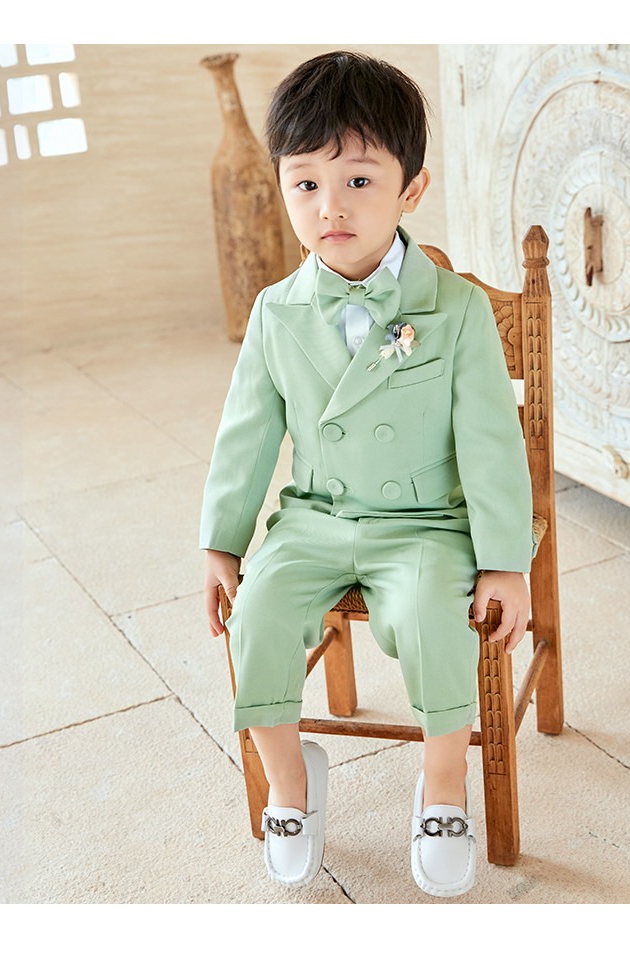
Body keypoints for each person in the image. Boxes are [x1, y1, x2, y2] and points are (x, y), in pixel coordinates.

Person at [200, 50, 535, 898]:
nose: (330, 206)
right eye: (306, 183)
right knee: (257, 616)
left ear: (411, 189)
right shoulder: (276, 311)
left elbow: (492, 443)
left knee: (432, 620)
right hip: (314, 517)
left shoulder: (454, 309)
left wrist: (506, 559)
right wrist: (222, 543)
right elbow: (246, 437)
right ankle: (291, 782)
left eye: (357, 180)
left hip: (425, 521)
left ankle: (445, 785)